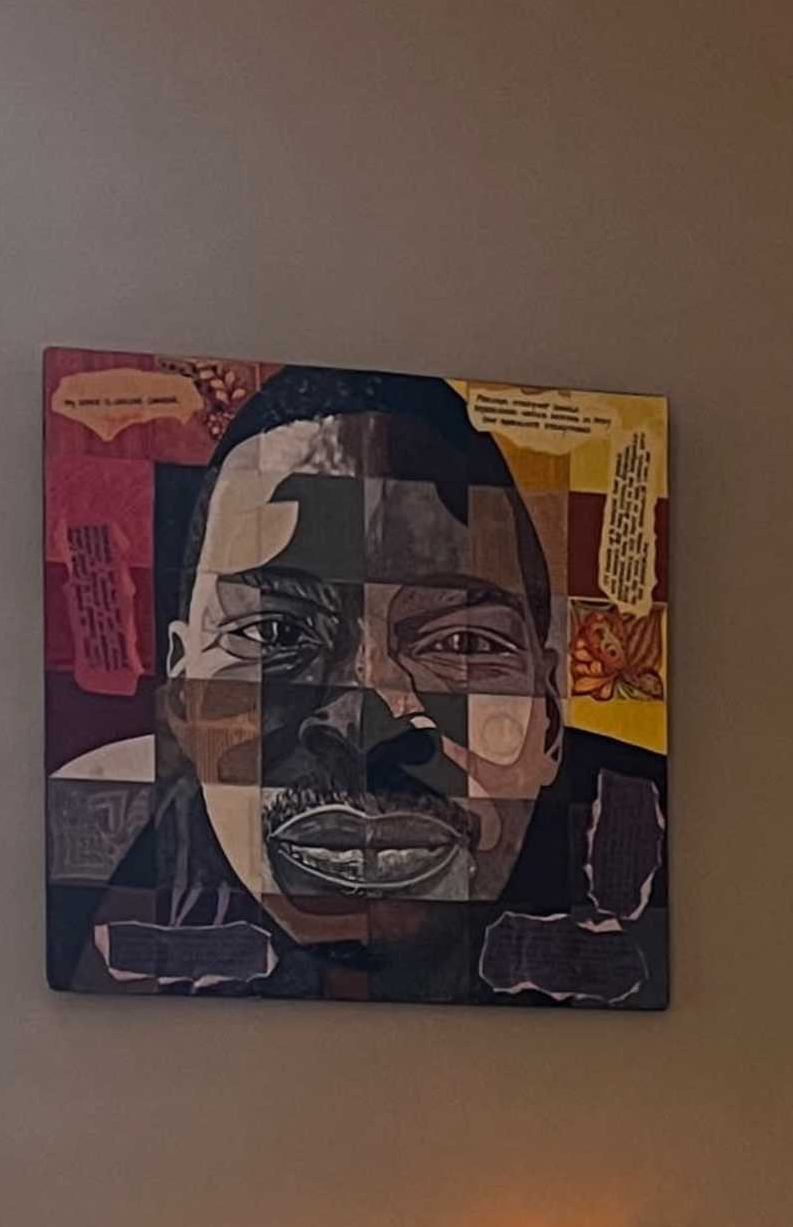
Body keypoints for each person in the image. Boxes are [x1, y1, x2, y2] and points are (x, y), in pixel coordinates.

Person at [47, 363, 666, 1004]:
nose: (367, 729)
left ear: (551, 718)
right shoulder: (92, 876)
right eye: (276, 635)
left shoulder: (656, 859)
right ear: (182, 701)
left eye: (463, 644)